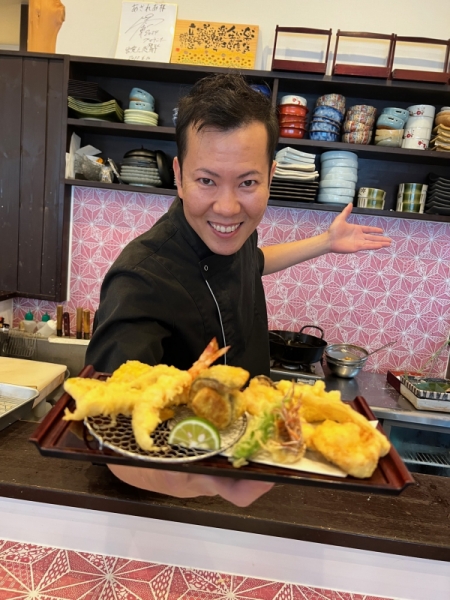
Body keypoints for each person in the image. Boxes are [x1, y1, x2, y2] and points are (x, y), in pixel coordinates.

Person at [86, 74, 391, 506]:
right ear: (179, 175)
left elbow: (255, 262)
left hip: (246, 460)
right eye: (206, 181)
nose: (228, 207)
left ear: (269, 176)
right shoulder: (140, 279)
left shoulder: (234, 233)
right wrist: (216, 484)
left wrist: (325, 242)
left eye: (247, 183)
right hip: (171, 499)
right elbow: (107, 435)